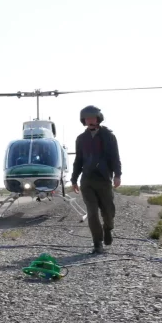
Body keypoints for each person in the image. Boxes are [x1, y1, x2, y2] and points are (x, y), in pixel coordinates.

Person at [70, 105, 122, 254]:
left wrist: (117, 175)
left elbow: (115, 157)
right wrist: (74, 179)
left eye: (92, 118)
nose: (90, 121)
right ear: (83, 121)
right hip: (87, 181)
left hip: (104, 180)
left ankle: (108, 229)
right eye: (87, 118)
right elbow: (78, 160)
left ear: (98, 119)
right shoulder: (81, 139)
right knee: (92, 212)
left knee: (108, 212)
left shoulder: (108, 136)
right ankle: (97, 243)